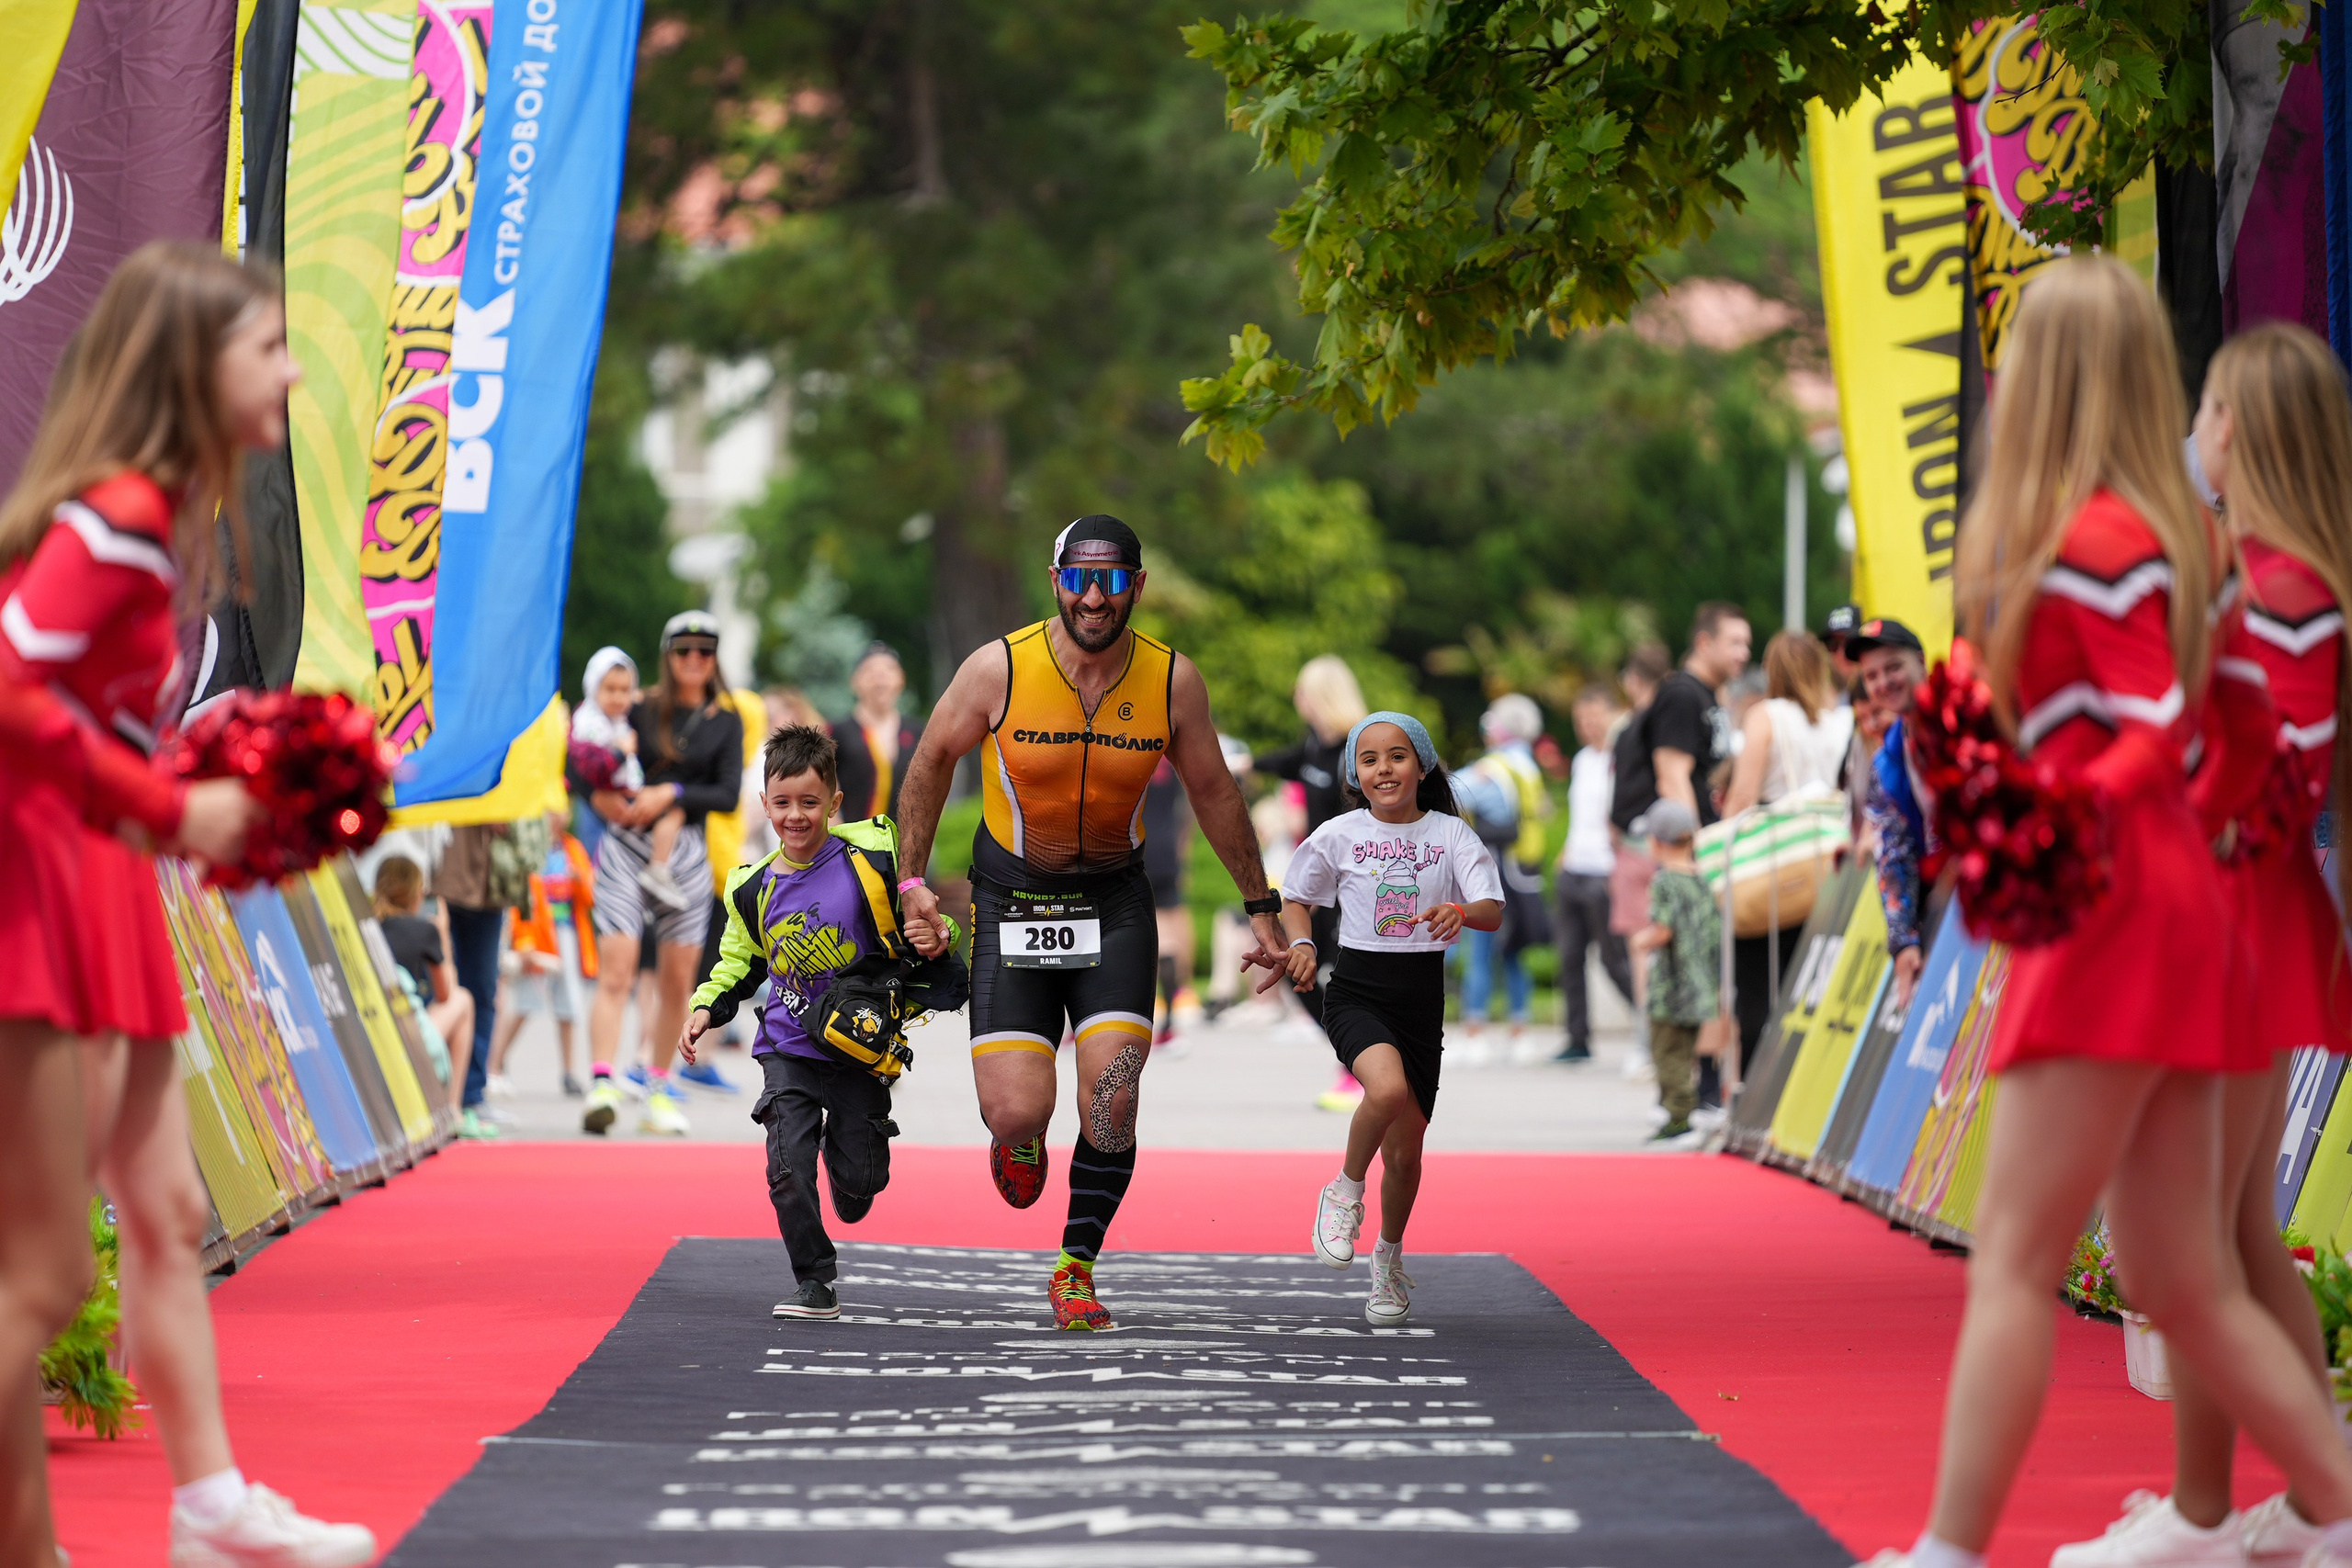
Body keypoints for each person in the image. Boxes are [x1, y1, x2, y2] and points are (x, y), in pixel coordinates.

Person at [1858, 256, 2352, 1568]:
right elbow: (2240, 726)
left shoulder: (2094, 546)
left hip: (2114, 916)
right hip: (2179, 911)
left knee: (2020, 1254)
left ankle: (1950, 1550)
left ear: (2046, 378)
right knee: (2183, 1270)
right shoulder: (2178, 547)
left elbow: (2162, 727)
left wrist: (2057, 810)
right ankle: (2334, 1507)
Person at [0, 243, 368, 1566]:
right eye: (266, 345)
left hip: (98, 881)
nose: (289, 368)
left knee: (162, 1214)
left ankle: (210, 1507)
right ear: (194, 365)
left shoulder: (159, 518)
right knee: (39, 1278)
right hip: (43, 890)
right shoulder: (114, 520)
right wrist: (169, 807)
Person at [2047, 323, 2352, 1567]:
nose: (2197, 432)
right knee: (2225, 1234)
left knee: (2185, 1239)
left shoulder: (2279, 590)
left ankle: (2266, 1505)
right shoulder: (2277, 577)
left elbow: (2263, 775)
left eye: (2214, 409)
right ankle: (2227, 1505)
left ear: (2248, 431)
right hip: (2244, 917)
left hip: (2224, 923)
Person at [892, 513, 1291, 1332]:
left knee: (1112, 1101)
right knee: (1015, 1109)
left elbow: (1216, 792)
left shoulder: (1172, 680)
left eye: (1113, 579)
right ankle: (1021, 1137)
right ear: (1056, 582)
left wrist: (1262, 907)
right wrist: (909, 879)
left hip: (1112, 906)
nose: (1095, 596)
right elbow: (932, 757)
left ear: (1137, 587)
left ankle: (1075, 1265)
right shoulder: (999, 667)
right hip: (1014, 904)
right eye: (1080, 577)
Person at [681, 725, 959, 1320]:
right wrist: (706, 1006)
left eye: (810, 802)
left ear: (834, 803)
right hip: (787, 1046)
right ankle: (814, 1278)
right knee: (785, 1167)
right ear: (764, 805)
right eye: (782, 803)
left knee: (857, 1189)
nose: (796, 816)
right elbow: (739, 960)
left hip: (859, 1050)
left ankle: (858, 1151)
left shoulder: (872, 862)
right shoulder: (753, 888)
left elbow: (927, 920)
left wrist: (936, 937)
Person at [1279, 715, 1501, 1325]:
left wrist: (1461, 910)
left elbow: (1491, 906)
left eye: (1397, 756)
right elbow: (1295, 896)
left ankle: (1388, 1256)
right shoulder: (1339, 834)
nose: (1384, 769)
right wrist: (1302, 945)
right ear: (1356, 773)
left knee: (1406, 1156)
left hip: (1420, 1001)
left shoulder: (1451, 835)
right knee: (1386, 1088)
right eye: (1370, 759)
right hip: (1356, 992)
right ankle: (1343, 1193)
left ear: (1422, 766)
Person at [579, 610, 745, 1138]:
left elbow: (727, 793)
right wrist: (600, 799)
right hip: (627, 843)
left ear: (715, 658)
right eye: (683, 651)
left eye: (705, 651)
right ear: (667, 655)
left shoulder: (726, 717)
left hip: (688, 852)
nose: (694, 660)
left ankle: (656, 1086)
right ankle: (603, 1082)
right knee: (618, 968)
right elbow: (585, 756)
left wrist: (671, 792)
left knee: (679, 980)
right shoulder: (641, 706)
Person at [1717, 630, 1850, 1091]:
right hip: (1828, 865)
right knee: (1814, 987)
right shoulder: (1840, 722)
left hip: (1774, 868)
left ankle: (1758, 1091)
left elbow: (1743, 796)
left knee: (1757, 985)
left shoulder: (1766, 716)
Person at [1255, 655, 1371, 1107]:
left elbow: (1360, 826)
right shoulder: (1313, 746)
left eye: (1302, 689)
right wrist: (1239, 762)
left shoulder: (1355, 749)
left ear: (1321, 695)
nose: (1296, 698)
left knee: (1345, 978)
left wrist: (1327, 890)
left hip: (1351, 884)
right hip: (1318, 881)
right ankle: (1358, 1058)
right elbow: (1285, 761)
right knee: (1291, 966)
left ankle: (1362, 1065)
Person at [1452, 694, 1552, 1058]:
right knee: (1515, 952)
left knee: (1479, 950)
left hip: (1492, 873)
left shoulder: (1493, 768)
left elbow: (1455, 791)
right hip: (1524, 873)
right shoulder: (1530, 767)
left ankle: (1476, 1035)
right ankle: (1519, 1033)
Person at [1847, 621, 1933, 1007]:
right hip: (1951, 907)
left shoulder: (1966, 719)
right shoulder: (1887, 761)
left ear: (1920, 662)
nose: (1883, 682)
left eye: (1893, 667)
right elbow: (1893, 852)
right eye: (1871, 675)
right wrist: (1904, 943)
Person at [571, 645, 691, 914]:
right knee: (594, 868)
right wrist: (619, 753)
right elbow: (587, 766)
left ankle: (656, 871)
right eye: (609, 689)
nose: (617, 697)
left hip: (623, 799)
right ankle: (655, 871)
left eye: (624, 691)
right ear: (593, 688)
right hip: (601, 805)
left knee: (672, 812)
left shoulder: (621, 720)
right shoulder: (587, 723)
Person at [372, 854, 485, 1133]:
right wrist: (443, 935)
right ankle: (452, 1109)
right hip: (411, 1036)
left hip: (375, 1035)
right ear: (416, 893)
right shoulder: (424, 930)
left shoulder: (369, 926)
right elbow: (446, 993)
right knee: (464, 1000)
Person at [1628, 800, 1717, 1145]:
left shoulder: (1665, 881)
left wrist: (1642, 940)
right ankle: (1680, 1113)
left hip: (1670, 986)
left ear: (1657, 842)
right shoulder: (1701, 879)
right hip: (1699, 984)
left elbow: (1664, 930)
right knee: (1685, 1052)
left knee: (1667, 1054)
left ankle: (1679, 1117)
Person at [488, 815, 594, 1099]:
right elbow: (520, 897)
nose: (557, 816)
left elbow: (589, 895)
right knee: (525, 1003)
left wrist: (578, 880)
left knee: (569, 1003)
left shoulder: (572, 849)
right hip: (535, 936)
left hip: (566, 933)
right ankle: (494, 1065)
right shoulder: (528, 848)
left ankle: (570, 1071)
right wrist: (522, 940)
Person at [1555, 684, 1633, 1063]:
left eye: (1593, 718)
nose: (1587, 727)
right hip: (1574, 867)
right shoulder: (1583, 759)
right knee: (1569, 956)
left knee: (1613, 960)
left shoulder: (1621, 759)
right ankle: (1577, 1038)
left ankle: (1651, 1029)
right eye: (1580, 721)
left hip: (1605, 870)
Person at [1608, 643, 1672, 1015]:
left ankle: (1647, 1036)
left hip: (1633, 843)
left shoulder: (1628, 728)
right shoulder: (1671, 721)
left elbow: (1615, 790)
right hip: (1669, 842)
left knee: (1639, 945)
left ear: (1633, 680)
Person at [831, 642, 923, 824]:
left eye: (888, 669)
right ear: (855, 681)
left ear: (901, 679)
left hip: (906, 842)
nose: (879, 678)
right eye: (870, 671)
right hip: (851, 843)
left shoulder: (917, 731)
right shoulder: (836, 733)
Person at [1138, 756, 1194, 1047]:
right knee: (1170, 938)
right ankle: (1169, 1024)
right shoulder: (1171, 756)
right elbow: (1187, 810)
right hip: (1166, 851)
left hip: (1131, 848)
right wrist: (1181, 855)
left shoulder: (1124, 746)